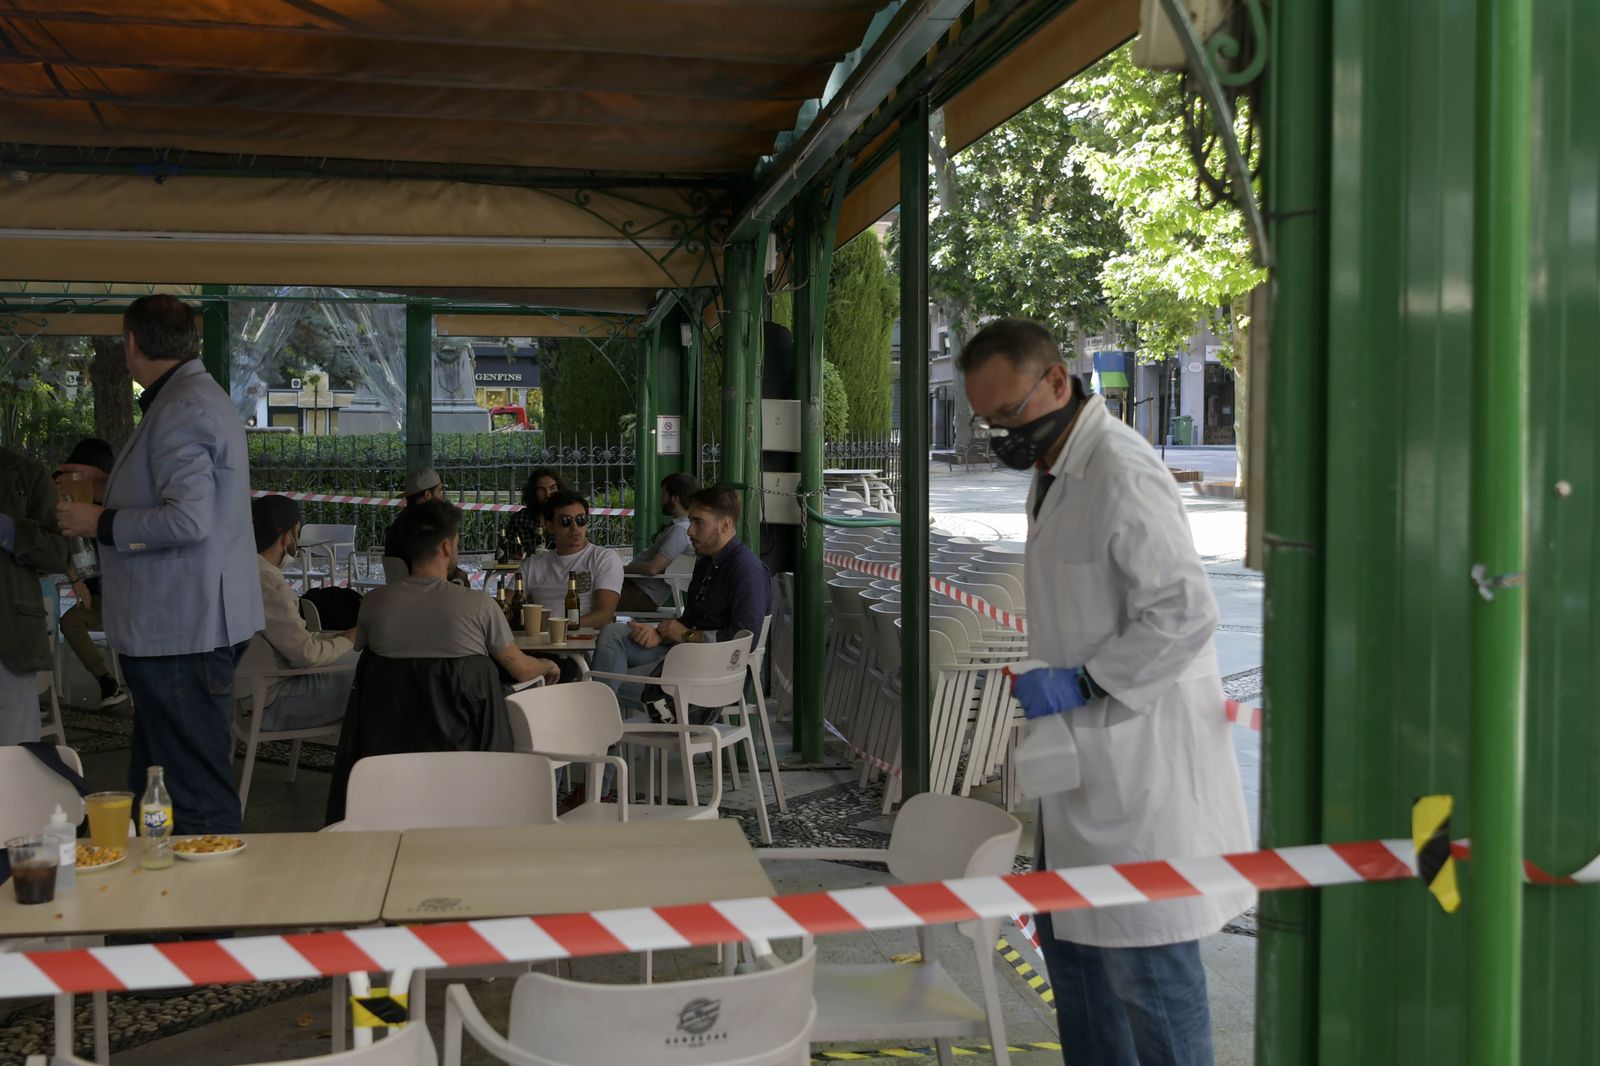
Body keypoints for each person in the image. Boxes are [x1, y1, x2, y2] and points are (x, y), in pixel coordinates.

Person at [959, 318, 1250, 1066]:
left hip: (1142, 775)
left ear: (1057, 380)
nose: (1002, 434)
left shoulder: (1121, 471)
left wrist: (1084, 680)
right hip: (1079, 773)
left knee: (1150, 978)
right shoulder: (1055, 468)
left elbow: (1187, 614)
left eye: (1010, 414)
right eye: (988, 421)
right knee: (1080, 969)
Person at [55, 294, 264, 835]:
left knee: (193, 793)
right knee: (158, 787)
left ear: (131, 344)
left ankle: (209, 918)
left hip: (182, 632)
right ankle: (153, 911)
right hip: (183, 628)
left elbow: (188, 520)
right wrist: (113, 491)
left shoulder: (182, 407)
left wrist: (99, 520)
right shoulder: (193, 397)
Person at [591, 485, 771, 715]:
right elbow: (689, 621)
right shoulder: (706, 561)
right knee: (612, 635)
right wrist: (660, 633)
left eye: (698, 522)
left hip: (713, 679)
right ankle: (603, 729)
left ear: (725, 525)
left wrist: (685, 635)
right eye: (690, 522)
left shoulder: (746, 569)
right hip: (686, 656)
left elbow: (745, 639)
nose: (690, 531)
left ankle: (600, 733)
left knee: (603, 685)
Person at [360, 499, 559, 686]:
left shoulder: (372, 603)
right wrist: (547, 664)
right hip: (465, 721)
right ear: (446, 547)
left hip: (391, 721)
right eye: (457, 540)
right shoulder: (479, 606)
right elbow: (522, 670)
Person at [238, 495, 357, 730]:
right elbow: (307, 655)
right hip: (275, 698)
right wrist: (349, 639)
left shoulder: (240, 572)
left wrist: (336, 640)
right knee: (376, 671)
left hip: (250, 692)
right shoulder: (267, 583)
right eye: (298, 534)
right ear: (286, 537)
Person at [0, 446, 69, 744]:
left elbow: (59, 553)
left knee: (13, 755)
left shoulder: (25, 475)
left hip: (8, 638)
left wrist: (9, 531)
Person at [51, 438, 126, 708]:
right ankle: (106, 681)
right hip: (96, 592)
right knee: (69, 621)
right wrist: (76, 579)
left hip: (125, 593)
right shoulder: (63, 492)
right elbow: (59, 542)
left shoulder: (120, 500)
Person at [518, 490, 622, 630]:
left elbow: (604, 615)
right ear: (549, 526)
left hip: (582, 644)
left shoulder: (603, 558)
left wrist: (556, 628)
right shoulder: (533, 564)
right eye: (565, 521)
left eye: (580, 519)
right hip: (538, 643)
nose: (575, 527)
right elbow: (506, 602)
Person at [617, 472, 698, 613]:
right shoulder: (678, 527)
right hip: (635, 588)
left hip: (642, 595)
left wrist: (618, 570)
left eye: (663, 493)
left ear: (675, 498)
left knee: (587, 594)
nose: (661, 498)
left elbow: (652, 568)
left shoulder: (680, 531)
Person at [382, 467, 468, 585]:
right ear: (428, 494)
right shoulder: (424, 525)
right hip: (423, 585)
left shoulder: (400, 522)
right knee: (461, 577)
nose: (441, 497)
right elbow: (436, 566)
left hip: (400, 587)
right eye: (439, 492)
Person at [505, 466, 570, 551]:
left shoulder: (569, 517)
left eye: (553, 488)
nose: (548, 494)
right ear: (533, 493)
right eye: (542, 490)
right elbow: (506, 553)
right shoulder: (521, 519)